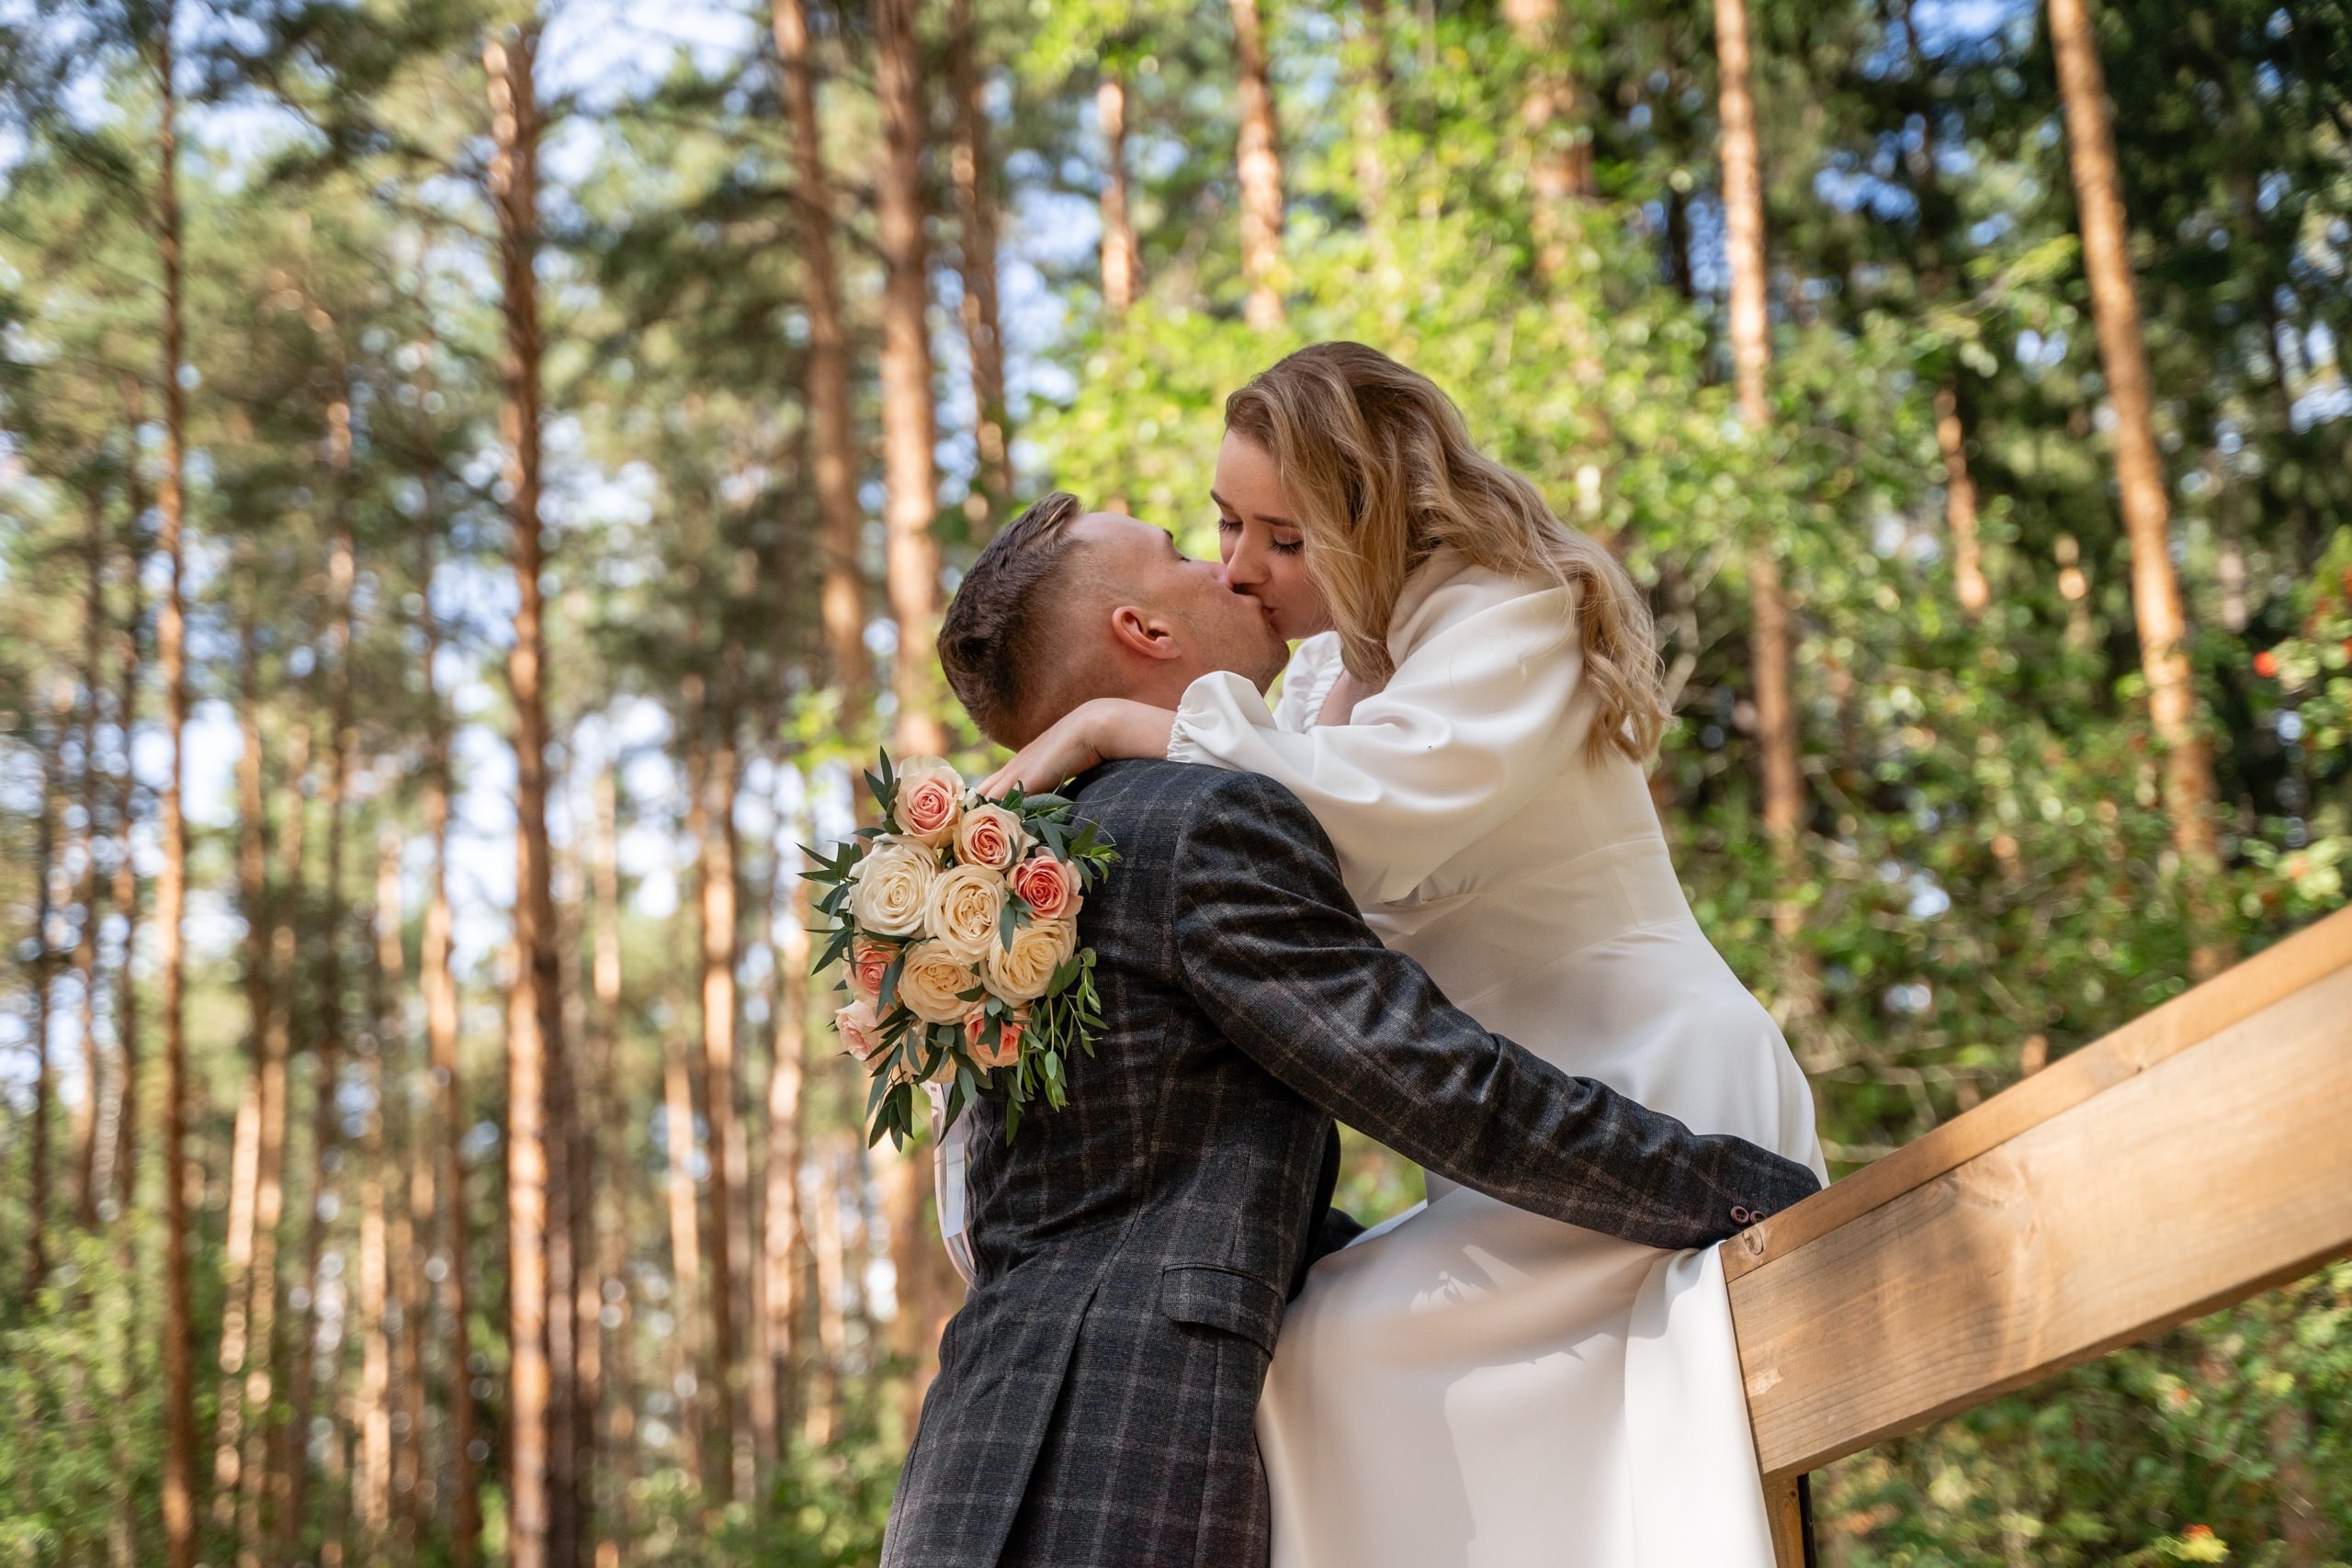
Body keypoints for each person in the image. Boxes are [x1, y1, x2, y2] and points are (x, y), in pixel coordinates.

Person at [981, 342, 1827, 1567]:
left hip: (1651, 1094)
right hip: (1517, 1149)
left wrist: (1121, 720)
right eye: (1227, 526)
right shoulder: (1325, 673)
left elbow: (1364, 820)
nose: (1240, 568)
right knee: (1306, 1350)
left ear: (1373, 515)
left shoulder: (1506, 610)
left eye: (1283, 537)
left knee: (1336, 1354)